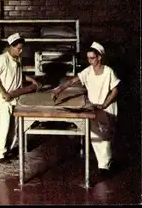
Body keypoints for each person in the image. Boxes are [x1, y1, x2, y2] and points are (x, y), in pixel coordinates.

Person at [51, 42, 120, 177]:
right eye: (88, 58)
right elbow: (72, 81)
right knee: (95, 135)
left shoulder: (108, 71)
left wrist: (105, 104)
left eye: (92, 58)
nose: (90, 61)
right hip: (93, 108)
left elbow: (115, 91)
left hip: (107, 107)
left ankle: (107, 163)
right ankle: (104, 166)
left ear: (99, 57)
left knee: (106, 136)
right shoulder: (88, 71)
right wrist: (58, 89)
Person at [0, 33, 40, 163]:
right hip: (4, 99)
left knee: (14, 127)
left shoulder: (18, 59)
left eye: (22, 48)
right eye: (18, 48)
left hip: (15, 97)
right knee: (4, 125)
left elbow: (19, 75)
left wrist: (32, 81)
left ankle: (7, 150)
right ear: (11, 47)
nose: (21, 51)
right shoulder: (2, 59)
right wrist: (4, 93)